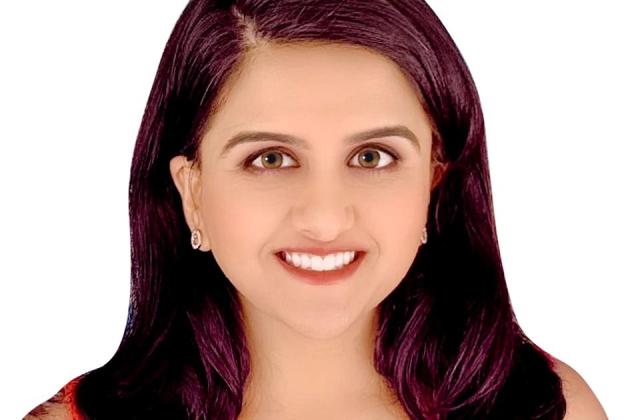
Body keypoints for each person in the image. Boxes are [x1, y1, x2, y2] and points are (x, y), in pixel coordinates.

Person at [24, 0, 608, 419]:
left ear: (435, 183)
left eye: (372, 157)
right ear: (192, 193)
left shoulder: (556, 410)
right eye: (271, 159)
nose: (325, 220)